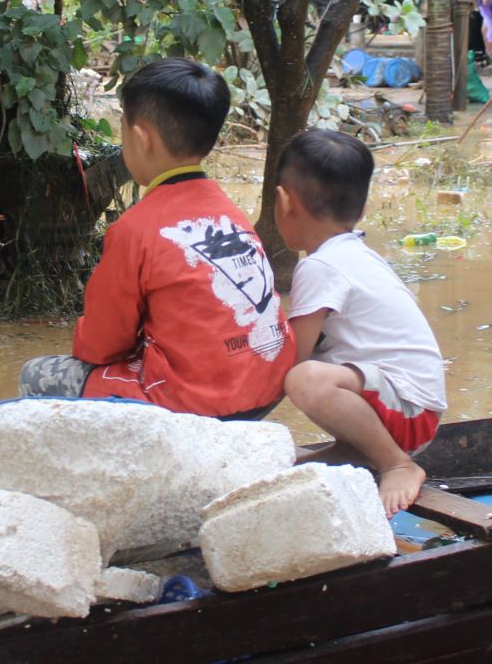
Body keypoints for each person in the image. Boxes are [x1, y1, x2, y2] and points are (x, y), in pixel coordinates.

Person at [18, 58, 293, 418]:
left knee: (36, 375)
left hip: (199, 402)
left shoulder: (134, 229)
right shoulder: (231, 214)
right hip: (269, 384)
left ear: (139, 138)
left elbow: (100, 348)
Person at [275, 128, 447, 515]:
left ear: (284, 202)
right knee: (315, 376)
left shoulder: (320, 266)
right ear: (362, 209)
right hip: (409, 404)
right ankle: (355, 449)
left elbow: (294, 358)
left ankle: (396, 463)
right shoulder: (353, 253)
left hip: (410, 414)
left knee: (304, 379)